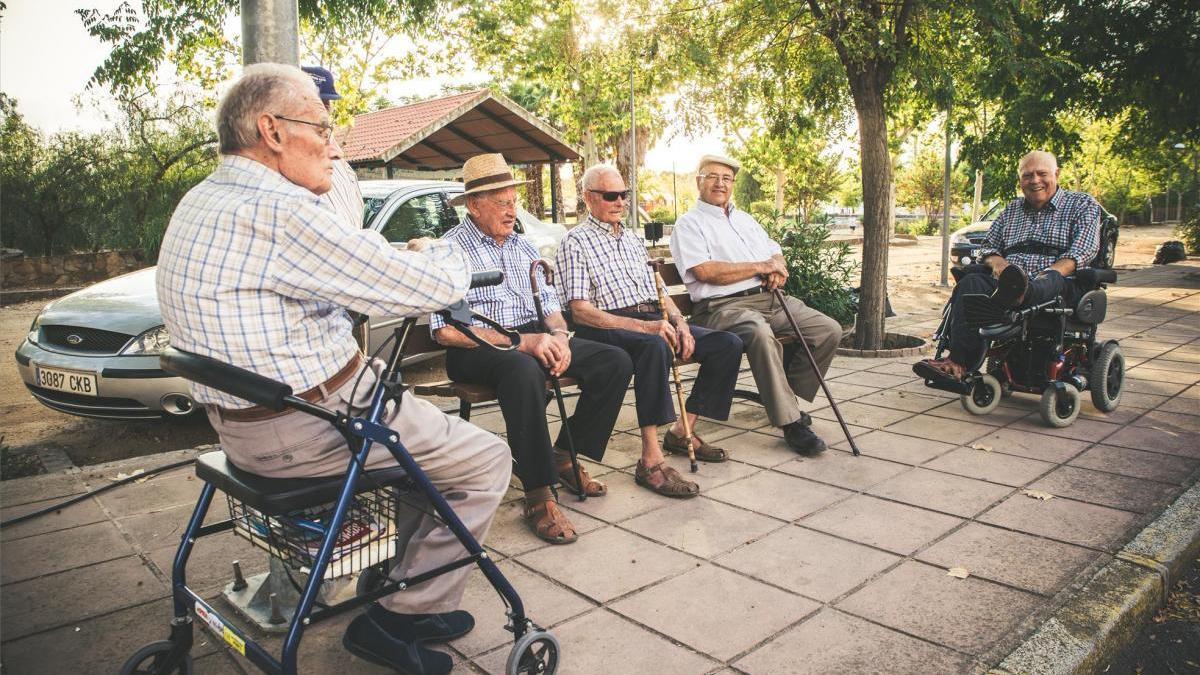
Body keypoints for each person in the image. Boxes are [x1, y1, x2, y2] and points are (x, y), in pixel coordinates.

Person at [156, 63, 510, 675]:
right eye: (321, 127)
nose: (333, 142)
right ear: (271, 131)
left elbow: (336, 260)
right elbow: (404, 286)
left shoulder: (203, 199)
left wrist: (378, 262)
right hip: (310, 424)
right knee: (484, 461)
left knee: (421, 458)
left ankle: (407, 590)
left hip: (244, 426)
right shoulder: (279, 210)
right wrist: (446, 260)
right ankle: (398, 618)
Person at [431, 153, 633, 545]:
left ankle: (562, 455)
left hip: (532, 337)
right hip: (477, 346)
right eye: (501, 203)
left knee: (614, 361)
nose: (512, 211)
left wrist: (558, 336)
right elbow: (447, 332)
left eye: (514, 201)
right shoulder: (450, 251)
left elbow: (551, 307)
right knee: (524, 372)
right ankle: (539, 496)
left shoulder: (524, 246)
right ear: (474, 205)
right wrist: (524, 342)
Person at [556, 164, 745, 498]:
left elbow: (657, 288)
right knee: (653, 346)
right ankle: (650, 459)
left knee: (727, 344)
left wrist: (680, 322)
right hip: (607, 325)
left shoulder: (630, 238)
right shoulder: (575, 241)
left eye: (623, 195)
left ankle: (682, 430)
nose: (619, 202)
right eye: (610, 195)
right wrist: (646, 327)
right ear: (587, 197)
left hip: (651, 321)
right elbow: (580, 311)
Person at [670, 154, 841, 455]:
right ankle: (790, 422)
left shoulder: (745, 219)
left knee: (828, 330)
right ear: (698, 181)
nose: (720, 183)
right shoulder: (689, 224)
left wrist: (777, 268)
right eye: (712, 176)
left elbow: (776, 254)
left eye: (726, 178)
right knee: (759, 334)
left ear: (733, 184)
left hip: (769, 300)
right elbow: (706, 272)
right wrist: (761, 266)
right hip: (720, 308)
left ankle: (784, 398)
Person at [913, 150, 1100, 381]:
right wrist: (999, 264)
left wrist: (1045, 275)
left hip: (1056, 283)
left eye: (1041, 174)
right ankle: (957, 363)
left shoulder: (1082, 204)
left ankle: (1023, 290)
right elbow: (987, 247)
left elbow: (1082, 251)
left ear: (1057, 174)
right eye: (1027, 175)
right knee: (971, 281)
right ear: (1020, 180)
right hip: (1007, 282)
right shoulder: (1012, 210)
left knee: (1048, 280)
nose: (1034, 181)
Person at [301, 65, 362, 229]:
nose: (323, 108)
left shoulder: (343, 166)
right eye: (317, 101)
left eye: (327, 102)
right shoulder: (295, 162)